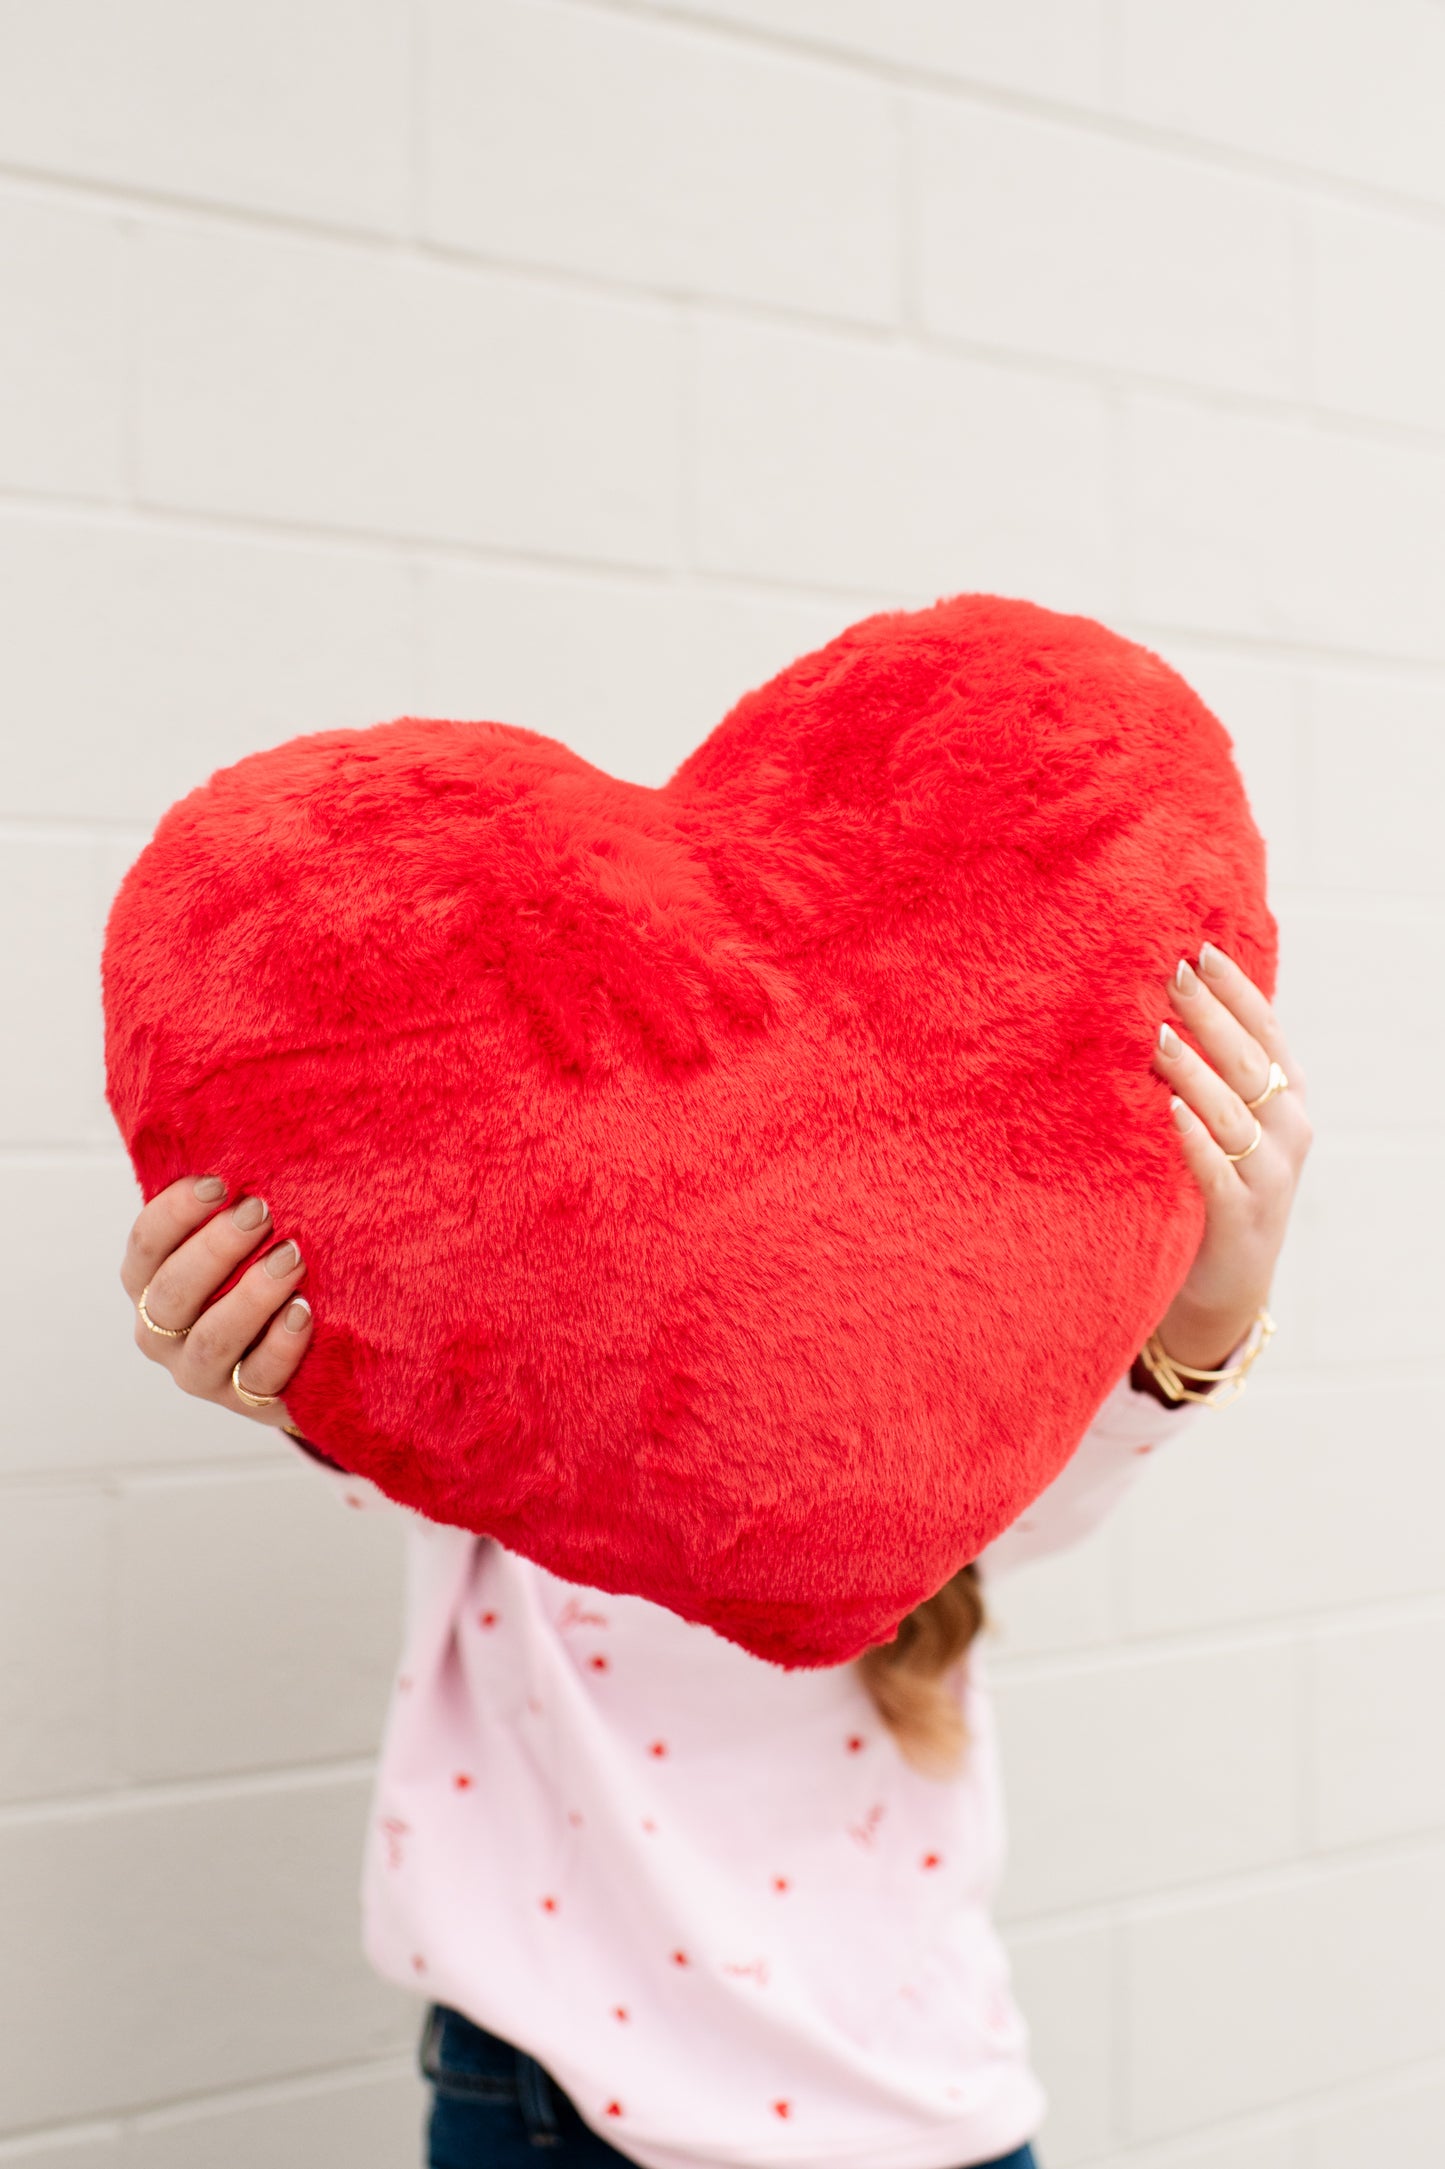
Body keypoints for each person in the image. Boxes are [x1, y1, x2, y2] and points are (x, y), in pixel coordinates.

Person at [121, 940, 1309, 2169]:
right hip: (560, 2105)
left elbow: (1055, 1485)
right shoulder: (544, 1305)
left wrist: (1208, 1310)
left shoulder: (924, 1390)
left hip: (922, 2103)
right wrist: (291, 1361)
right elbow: (416, 1437)